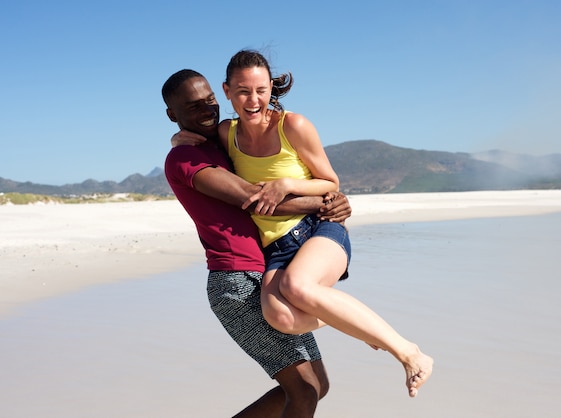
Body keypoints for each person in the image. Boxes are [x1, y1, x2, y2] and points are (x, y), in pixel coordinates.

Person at [174, 49, 434, 398]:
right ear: (227, 91)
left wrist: (288, 184)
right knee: (280, 316)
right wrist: (177, 139)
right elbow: (194, 144)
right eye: (243, 91)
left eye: (261, 90)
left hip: (316, 231)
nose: (253, 100)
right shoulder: (225, 133)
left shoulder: (291, 125)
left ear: (271, 89)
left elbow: (330, 182)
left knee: (297, 288)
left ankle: (409, 352)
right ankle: (356, 321)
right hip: (276, 249)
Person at [162, 69, 352, 417]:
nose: (207, 111)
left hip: (261, 274)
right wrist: (327, 203)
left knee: (316, 386)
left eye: (210, 102)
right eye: (193, 107)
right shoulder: (183, 158)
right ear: (173, 115)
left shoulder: (218, 144)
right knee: (305, 391)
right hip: (234, 282)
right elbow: (254, 198)